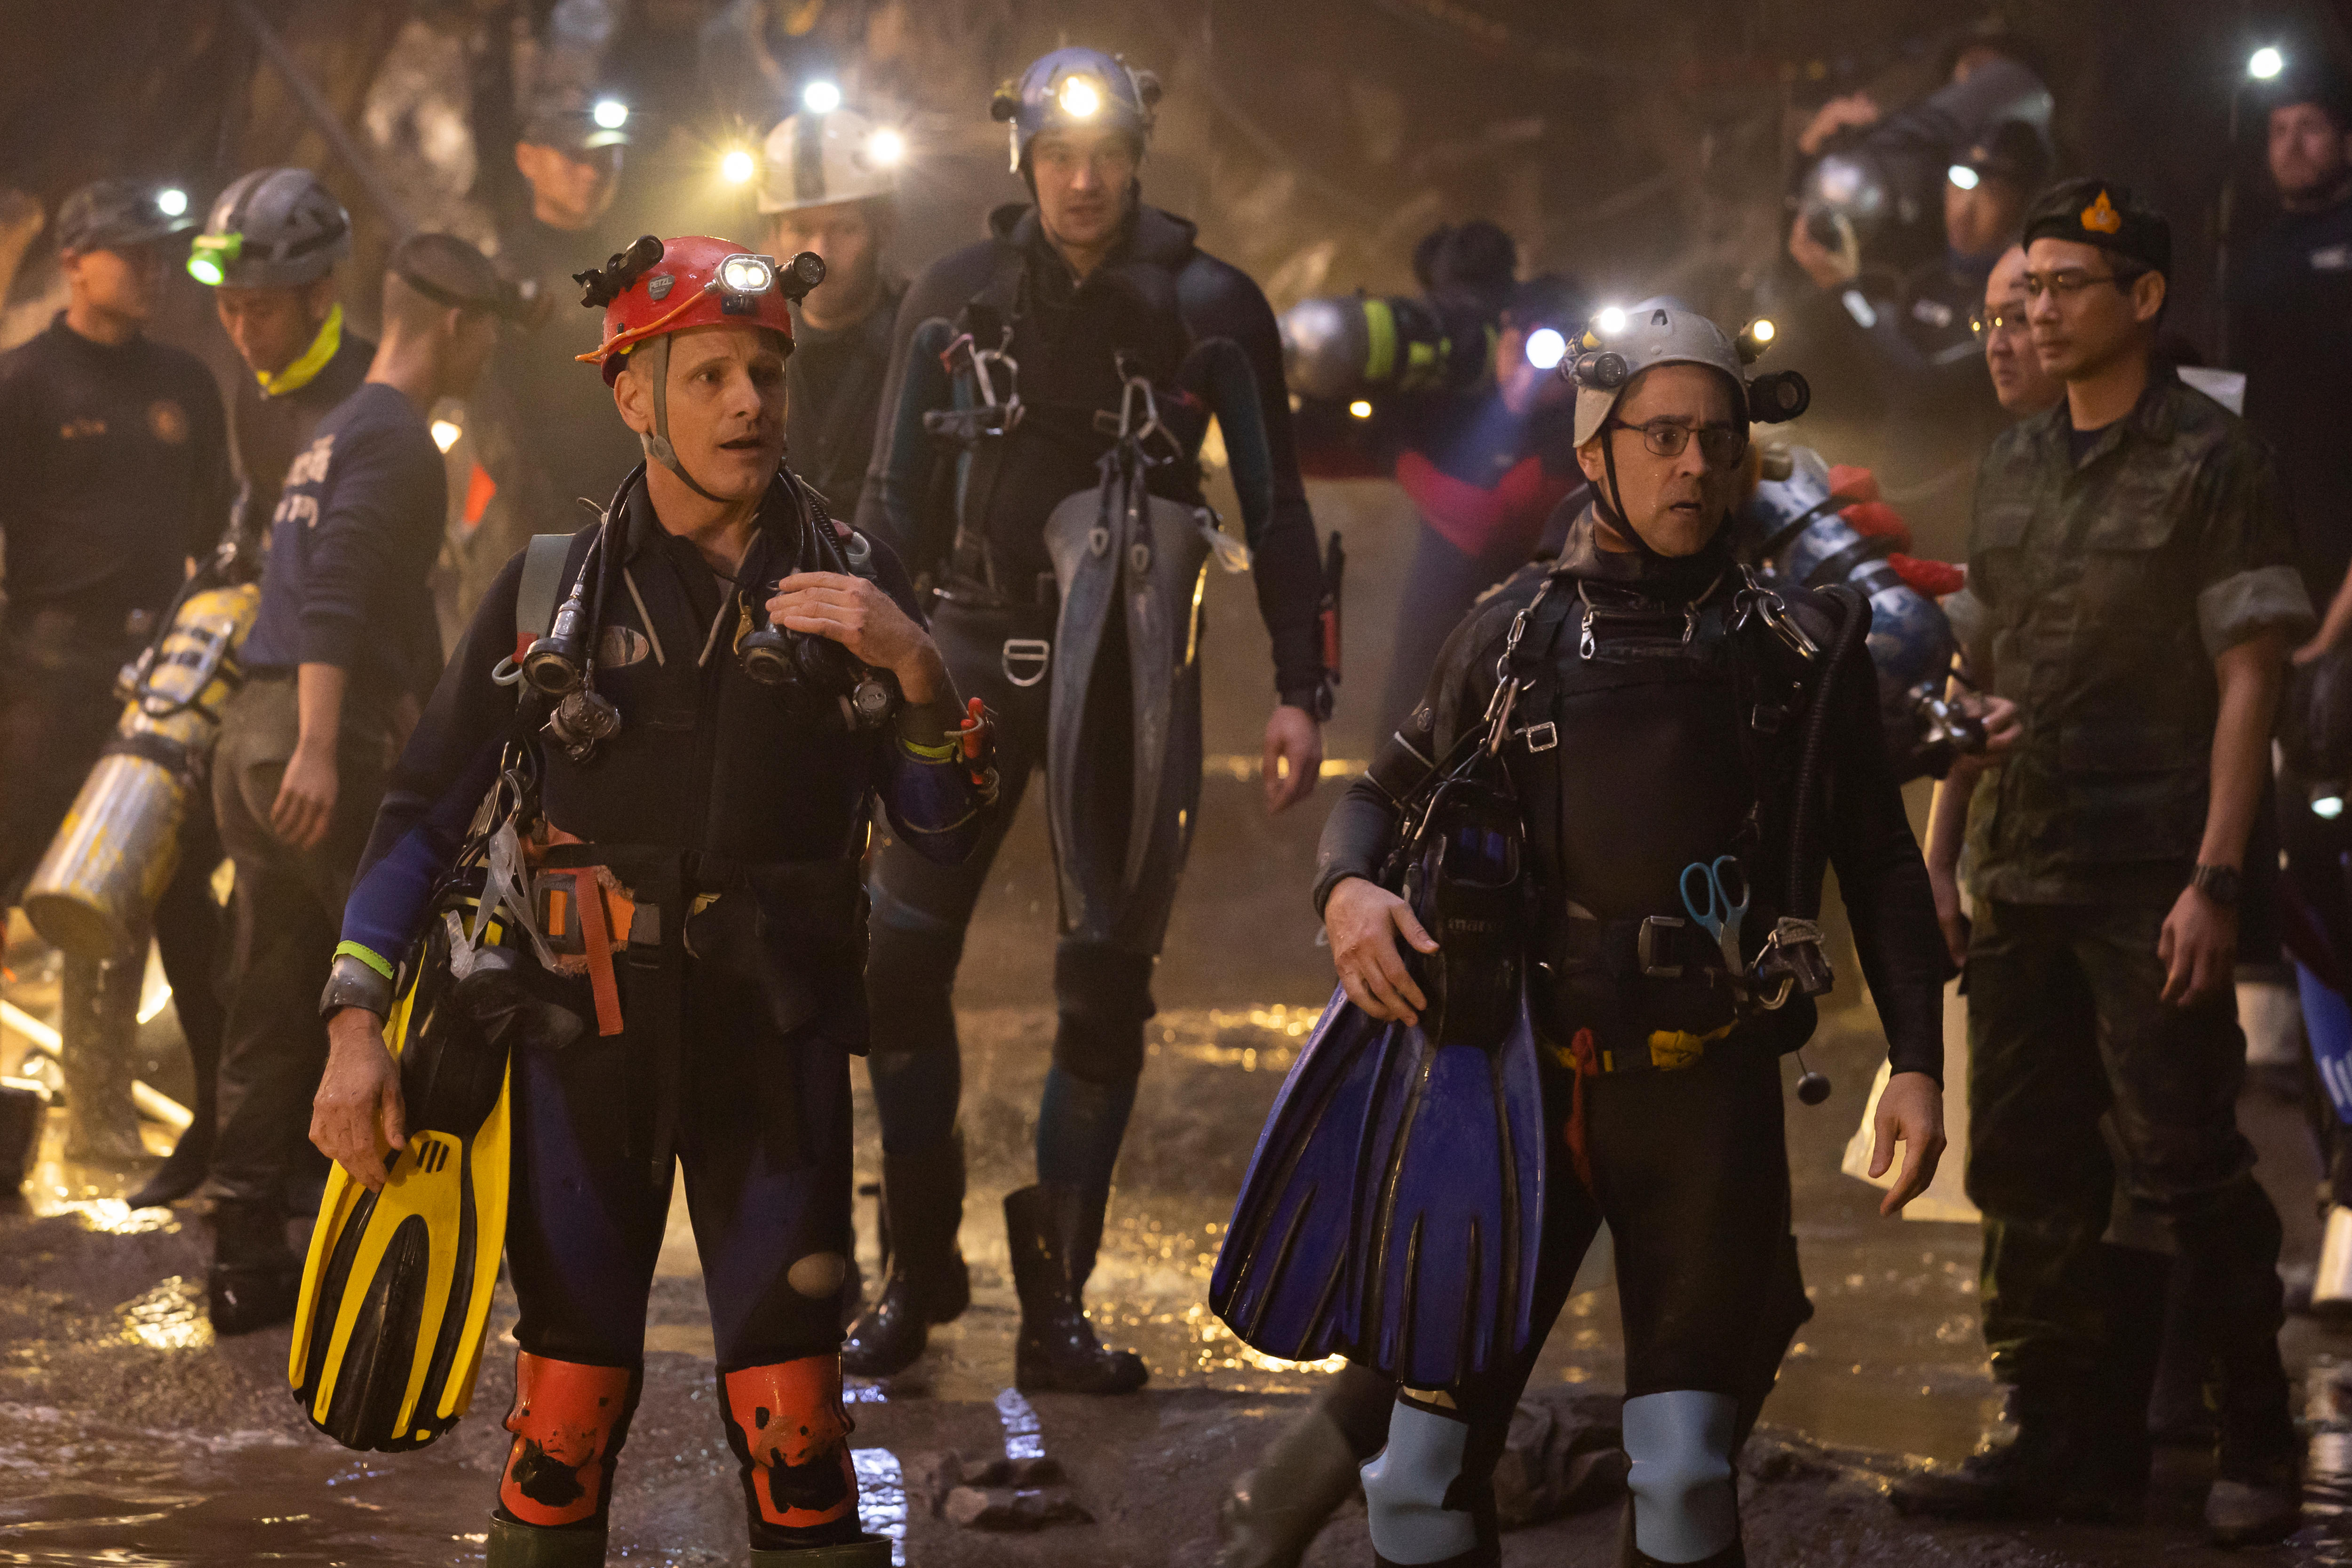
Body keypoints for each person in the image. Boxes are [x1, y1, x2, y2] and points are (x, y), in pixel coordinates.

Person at [309, 232, 988, 1568]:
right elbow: (416, 817)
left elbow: (942, 834)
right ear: (632, 392)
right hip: (580, 1045)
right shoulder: (545, 588)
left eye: (768, 375)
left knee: (798, 1426)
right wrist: (353, 1014)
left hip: (771, 1041)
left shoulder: (855, 584)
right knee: (560, 1414)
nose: (751, 404)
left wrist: (914, 667)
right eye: (713, 376)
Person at [1261, 298, 1947, 1568]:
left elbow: (1882, 863)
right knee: (1413, 1485)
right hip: (1511, 1090)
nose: (1694, 463)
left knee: (1685, 1477)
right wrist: (1347, 894)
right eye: (1662, 435)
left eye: (1717, 438)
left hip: (1704, 1097)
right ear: (1596, 454)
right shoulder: (1514, 633)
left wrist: (1917, 1059)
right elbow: (1375, 797)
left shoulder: (1796, 648)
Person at [849, 45, 1329, 1393]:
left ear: (1137, 155)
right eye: (1057, 155)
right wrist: (861, 654)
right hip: (963, 646)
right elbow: (891, 495)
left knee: (1104, 983)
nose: (1080, 178)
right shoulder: (954, 296)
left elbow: (1279, 508)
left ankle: (1056, 1303)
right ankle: (915, 1269)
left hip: (1128, 671)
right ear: (1021, 159)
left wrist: (1304, 686)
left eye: (1104, 154)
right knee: (895, 965)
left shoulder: (1211, 306)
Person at [1890, 179, 2312, 1546]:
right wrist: (1939, 859)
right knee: (2026, 1169)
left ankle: (2252, 1431)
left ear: (2142, 301)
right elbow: (1978, 667)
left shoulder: (2207, 457)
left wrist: (2215, 878)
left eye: (2069, 286)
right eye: (2027, 291)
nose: (2039, 311)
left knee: (2182, 1159)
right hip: (2018, 868)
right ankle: (2058, 1437)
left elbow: (2249, 680)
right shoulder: (2012, 459)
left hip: (2149, 880)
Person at [201, 232, 509, 1336]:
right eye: (488, 339)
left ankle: (245, 1242)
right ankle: (396, 1241)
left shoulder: (330, 433)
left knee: (274, 983)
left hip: (250, 733)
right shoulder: (394, 442)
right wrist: (326, 746)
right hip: (305, 737)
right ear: (460, 329)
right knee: (396, 979)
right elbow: (334, 594)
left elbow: (359, 596)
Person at [0, 178, 231, 1175]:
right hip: (44, 666)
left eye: (159, 253)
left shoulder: (185, 380)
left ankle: (102, 1123)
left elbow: (221, 532)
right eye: (130, 252)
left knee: (137, 881)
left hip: (157, 672)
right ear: (74, 260)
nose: (151, 270)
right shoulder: (23, 385)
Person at [1287, 221, 1589, 735]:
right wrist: (1320, 394)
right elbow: (1306, 455)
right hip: (1439, 644)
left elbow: (1483, 520)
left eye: (1547, 341)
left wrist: (1394, 454)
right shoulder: (1459, 406)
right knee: (1408, 749)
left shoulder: (1582, 433)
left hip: (1541, 647)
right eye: (1516, 333)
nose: (1524, 361)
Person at [476, 88, 646, 546]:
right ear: (528, 159)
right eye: (574, 156)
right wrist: (551, 512)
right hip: (547, 524)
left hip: (640, 506)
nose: (593, 172)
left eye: (609, 157)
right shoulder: (504, 278)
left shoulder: (640, 265)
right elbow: (492, 412)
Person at [190, 168, 374, 552]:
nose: (242, 331)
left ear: (319, 298)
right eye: (228, 307)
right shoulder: (260, 382)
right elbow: (262, 491)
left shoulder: (372, 400)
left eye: (261, 311)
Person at [757, 102, 907, 518]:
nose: (819, 254)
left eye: (844, 228)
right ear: (771, 236)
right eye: (802, 229)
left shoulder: (921, 334)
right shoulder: (747, 342)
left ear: (884, 228)